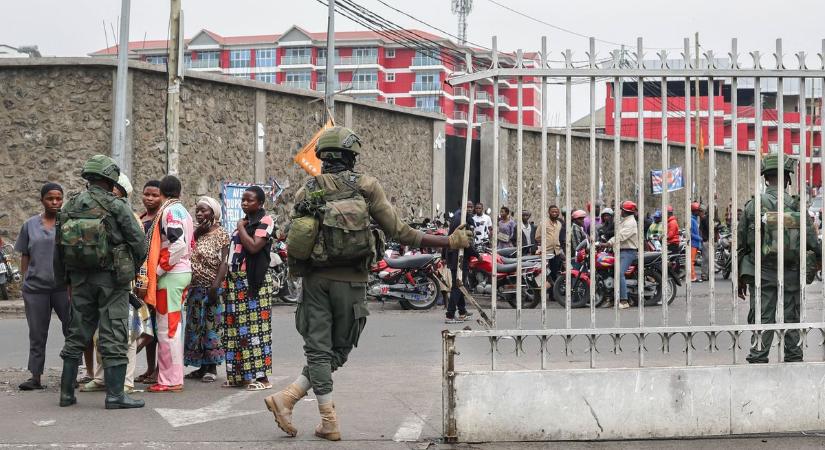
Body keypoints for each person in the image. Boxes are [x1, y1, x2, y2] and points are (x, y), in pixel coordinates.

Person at [265, 126, 472, 441]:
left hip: (315, 281)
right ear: (351, 156)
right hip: (352, 281)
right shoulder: (366, 186)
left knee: (319, 351)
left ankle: (292, 400)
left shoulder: (307, 190)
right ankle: (326, 420)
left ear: (322, 157)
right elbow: (401, 232)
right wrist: (448, 241)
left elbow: (291, 234)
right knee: (340, 350)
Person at [56, 154, 146, 409]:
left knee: (77, 333)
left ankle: (66, 395)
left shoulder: (70, 205)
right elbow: (139, 244)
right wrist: (131, 270)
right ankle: (116, 396)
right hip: (112, 280)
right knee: (114, 334)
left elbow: (59, 247)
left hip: (80, 279)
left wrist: (66, 279)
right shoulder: (117, 206)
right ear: (110, 179)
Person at [738, 153, 821, 363]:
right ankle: (793, 355)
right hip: (792, 272)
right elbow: (812, 242)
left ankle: (759, 355)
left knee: (763, 316)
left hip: (762, 271)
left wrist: (740, 276)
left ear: (766, 179)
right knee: (791, 316)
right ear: (787, 179)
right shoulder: (797, 206)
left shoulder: (753, 206)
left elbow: (742, 244)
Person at [81, 174, 145, 395]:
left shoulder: (129, 217)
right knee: (102, 333)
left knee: (125, 333)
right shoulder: (98, 213)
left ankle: (126, 381)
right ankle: (101, 377)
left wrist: (136, 280)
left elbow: (140, 249)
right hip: (100, 282)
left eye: (114, 189)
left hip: (122, 282)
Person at [15, 183, 71, 391]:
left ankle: (71, 374)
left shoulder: (68, 224)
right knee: (37, 333)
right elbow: (25, 255)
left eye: (58, 199)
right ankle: (35, 377)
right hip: (35, 289)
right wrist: (25, 280)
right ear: (42, 200)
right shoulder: (30, 225)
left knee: (71, 331)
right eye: (50, 198)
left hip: (63, 288)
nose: (55, 202)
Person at [143, 176, 193, 393]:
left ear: (162, 193)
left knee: (167, 329)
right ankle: (172, 377)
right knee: (172, 327)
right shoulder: (183, 211)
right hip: (181, 273)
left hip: (171, 275)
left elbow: (178, 244)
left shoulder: (169, 212)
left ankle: (170, 379)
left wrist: (159, 269)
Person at [223, 186, 275, 391]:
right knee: (236, 328)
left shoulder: (266, 221)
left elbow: (254, 246)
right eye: (243, 200)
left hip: (254, 281)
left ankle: (261, 378)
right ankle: (239, 375)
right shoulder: (244, 223)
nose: (244, 203)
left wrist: (240, 227)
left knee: (256, 330)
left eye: (249, 200)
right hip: (236, 280)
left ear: (260, 203)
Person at [183, 196, 230, 383]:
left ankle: (212, 368)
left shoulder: (221, 233)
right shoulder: (197, 233)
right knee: (196, 328)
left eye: (204, 210)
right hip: (195, 288)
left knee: (212, 327)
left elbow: (224, 262)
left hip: (212, 288)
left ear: (214, 212)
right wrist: (196, 233)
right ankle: (201, 367)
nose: (200, 214)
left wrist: (216, 285)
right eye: (198, 210)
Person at [135, 180, 161, 385]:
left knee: (159, 329)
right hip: (141, 277)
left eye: (154, 195)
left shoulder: (162, 219)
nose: (150, 198)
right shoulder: (139, 218)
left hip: (159, 276)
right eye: (147, 194)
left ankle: (160, 369)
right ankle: (150, 367)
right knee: (146, 325)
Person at [445, 202, 477, 324]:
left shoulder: (460, 217)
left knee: (459, 284)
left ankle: (462, 311)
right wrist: (477, 255)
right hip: (458, 257)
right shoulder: (461, 220)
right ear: (462, 207)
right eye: (467, 207)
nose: (470, 209)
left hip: (456, 256)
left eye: (471, 207)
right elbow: (464, 242)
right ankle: (450, 314)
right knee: (458, 285)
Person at [604, 201, 639, 310]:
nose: (619, 211)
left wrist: (609, 242)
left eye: (621, 209)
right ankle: (610, 297)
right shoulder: (624, 220)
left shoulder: (631, 223)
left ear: (625, 211)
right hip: (620, 250)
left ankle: (624, 300)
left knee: (619, 273)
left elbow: (621, 236)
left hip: (628, 251)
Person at [535, 205, 565, 281]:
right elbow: (537, 237)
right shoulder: (543, 223)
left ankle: (553, 291)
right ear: (549, 212)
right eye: (553, 212)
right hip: (546, 252)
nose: (554, 213)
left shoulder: (559, 224)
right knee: (545, 273)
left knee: (555, 272)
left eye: (556, 212)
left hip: (556, 252)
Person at [690, 202, 702, 282]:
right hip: (693, 243)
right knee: (691, 261)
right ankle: (693, 277)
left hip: (695, 243)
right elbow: (690, 233)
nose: (699, 212)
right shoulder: (691, 220)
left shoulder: (694, 220)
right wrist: (699, 238)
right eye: (698, 210)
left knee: (692, 261)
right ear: (695, 211)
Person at [699, 206, 711, 281]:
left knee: (710, 258)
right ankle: (704, 274)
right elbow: (700, 229)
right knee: (706, 258)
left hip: (713, 241)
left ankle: (709, 274)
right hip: (706, 240)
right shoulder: (704, 219)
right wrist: (702, 239)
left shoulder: (715, 219)